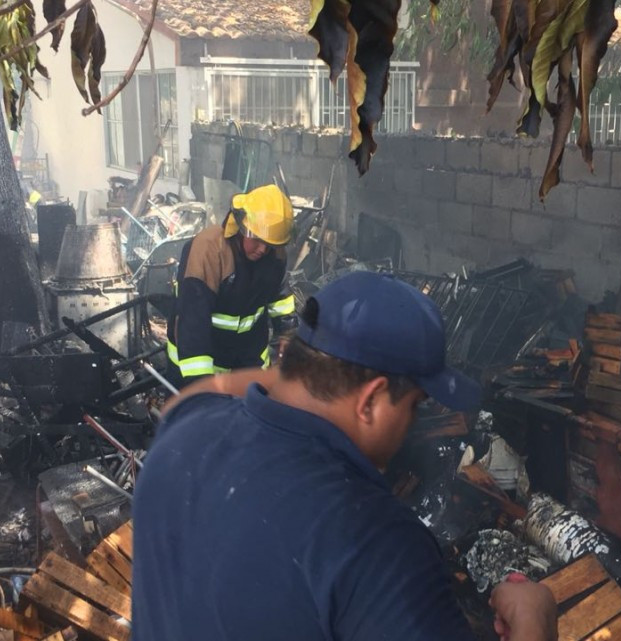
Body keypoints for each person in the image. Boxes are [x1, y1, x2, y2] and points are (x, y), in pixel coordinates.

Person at [133, 271, 558, 641]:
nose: (413, 422)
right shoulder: (377, 544)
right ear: (371, 400)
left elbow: (225, 390)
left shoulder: (185, 427)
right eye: (414, 405)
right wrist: (534, 624)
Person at [165, 183, 297, 385]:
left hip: (248, 363)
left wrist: (288, 334)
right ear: (241, 228)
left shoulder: (274, 255)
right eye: (256, 239)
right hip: (198, 365)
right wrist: (201, 388)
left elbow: (280, 299)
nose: (263, 249)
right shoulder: (208, 251)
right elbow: (193, 324)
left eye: (270, 244)